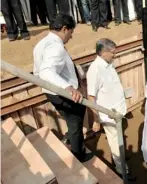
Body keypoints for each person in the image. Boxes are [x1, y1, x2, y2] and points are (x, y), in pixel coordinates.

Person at [33, 13, 94, 162]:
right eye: (71, 32)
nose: (71, 37)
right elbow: (47, 70)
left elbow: (39, 71)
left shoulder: (42, 43)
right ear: (65, 29)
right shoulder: (56, 47)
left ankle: (70, 139)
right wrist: (68, 87)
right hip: (63, 94)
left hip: (51, 91)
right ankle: (78, 154)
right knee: (75, 122)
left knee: (70, 118)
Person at [86, 38, 136, 181]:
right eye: (112, 53)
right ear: (103, 52)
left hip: (119, 111)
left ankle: (121, 160)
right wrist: (96, 119)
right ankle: (121, 170)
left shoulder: (109, 64)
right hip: (109, 115)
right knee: (115, 142)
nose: (115, 55)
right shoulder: (95, 70)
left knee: (118, 138)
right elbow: (91, 97)